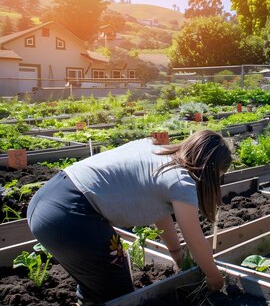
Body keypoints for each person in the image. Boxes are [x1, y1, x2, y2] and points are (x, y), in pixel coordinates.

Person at [27, 130, 232, 305]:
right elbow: (195, 239)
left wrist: (177, 253)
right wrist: (214, 276)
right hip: (71, 216)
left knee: (102, 279)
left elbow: (159, 213)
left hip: (47, 201)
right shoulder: (181, 180)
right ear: (210, 170)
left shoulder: (154, 149)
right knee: (120, 294)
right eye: (219, 176)